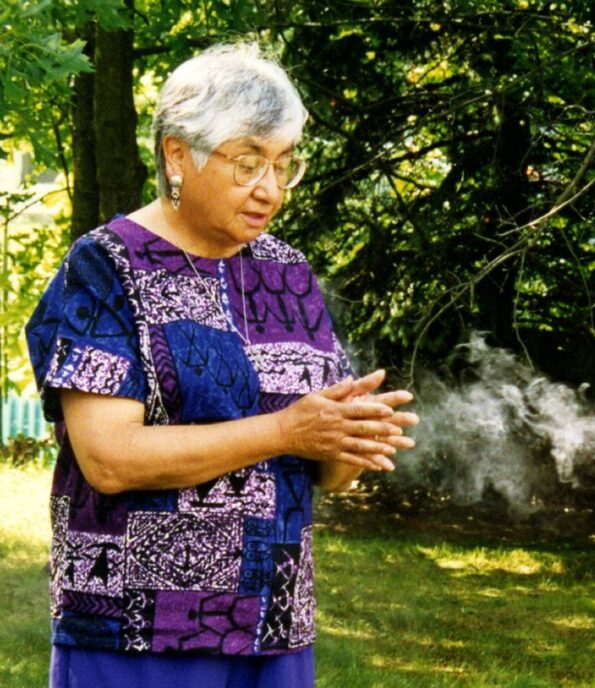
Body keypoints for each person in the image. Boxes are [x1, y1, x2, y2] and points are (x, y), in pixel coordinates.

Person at [25, 43, 418, 688]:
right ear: (178, 153)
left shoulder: (286, 273)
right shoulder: (105, 266)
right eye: (248, 163)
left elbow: (329, 473)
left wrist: (351, 434)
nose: (270, 188)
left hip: (274, 624)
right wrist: (286, 431)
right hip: (139, 629)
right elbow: (109, 458)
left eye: (283, 165)